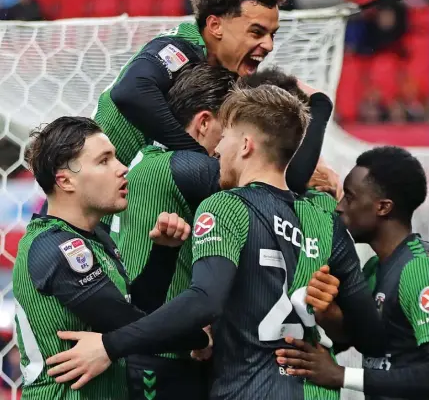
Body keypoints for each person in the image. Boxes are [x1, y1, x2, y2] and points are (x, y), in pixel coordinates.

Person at [46, 86, 385, 399]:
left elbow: (204, 300)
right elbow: (369, 336)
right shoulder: (325, 217)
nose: (217, 149)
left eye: (225, 137)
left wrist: (109, 346)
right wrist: (329, 324)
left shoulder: (226, 206)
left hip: (247, 389)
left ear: (245, 145)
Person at [110, 63, 333, 399]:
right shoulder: (184, 167)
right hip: (161, 359)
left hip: (175, 349)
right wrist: (319, 109)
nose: (222, 147)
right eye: (229, 127)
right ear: (204, 123)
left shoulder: (156, 162)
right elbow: (283, 179)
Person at [13, 117, 209, 399]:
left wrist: (164, 252)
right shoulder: (57, 247)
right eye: (104, 161)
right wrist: (201, 337)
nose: (122, 168)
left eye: (116, 157)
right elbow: (128, 323)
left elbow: (136, 308)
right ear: (65, 180)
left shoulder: (94, 238)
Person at [93, 0, 286, 169]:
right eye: (256, 32)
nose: (269, 45)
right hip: (95, 182)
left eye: (272, 34)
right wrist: (194, 153)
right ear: (215, 26)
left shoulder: (223, 67)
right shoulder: (182, 47)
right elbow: (130, 91)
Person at [275, 146, 429, 400]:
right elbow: (368, 344)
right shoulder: (372, 269)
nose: (339, 207)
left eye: (350, 197)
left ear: (383, 207)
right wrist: (328, 313)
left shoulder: (419, 269)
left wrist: (341, 375)